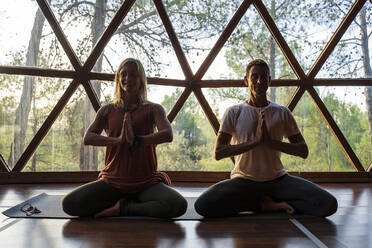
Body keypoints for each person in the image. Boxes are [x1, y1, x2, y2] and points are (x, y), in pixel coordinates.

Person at [194, 59, 338, 218]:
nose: (259, 81)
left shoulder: (282, 112)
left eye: (264, 77)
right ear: (246, 80)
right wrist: (255, 142)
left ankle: (263, 202)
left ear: (269, 81)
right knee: (203, 205)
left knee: (328, 204)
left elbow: (303, 150)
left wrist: (271, 142)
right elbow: (219, 152)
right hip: (243, 180)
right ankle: (264, 204)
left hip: (278, 180)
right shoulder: (234, 112)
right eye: (254, 76)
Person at [62, 58, 187, 218]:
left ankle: (124, 208)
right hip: (113, 182)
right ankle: (127, 202)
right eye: (124, 74)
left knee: (178, 205)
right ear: (118, 79)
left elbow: (167, 134)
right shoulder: (106, 110)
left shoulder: (154, 109)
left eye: (133, 75)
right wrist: (117, 141)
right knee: (70, 204)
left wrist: (138, 140)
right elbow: (88, 137)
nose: (128, 78)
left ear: (141, 79)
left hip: (145, 183)